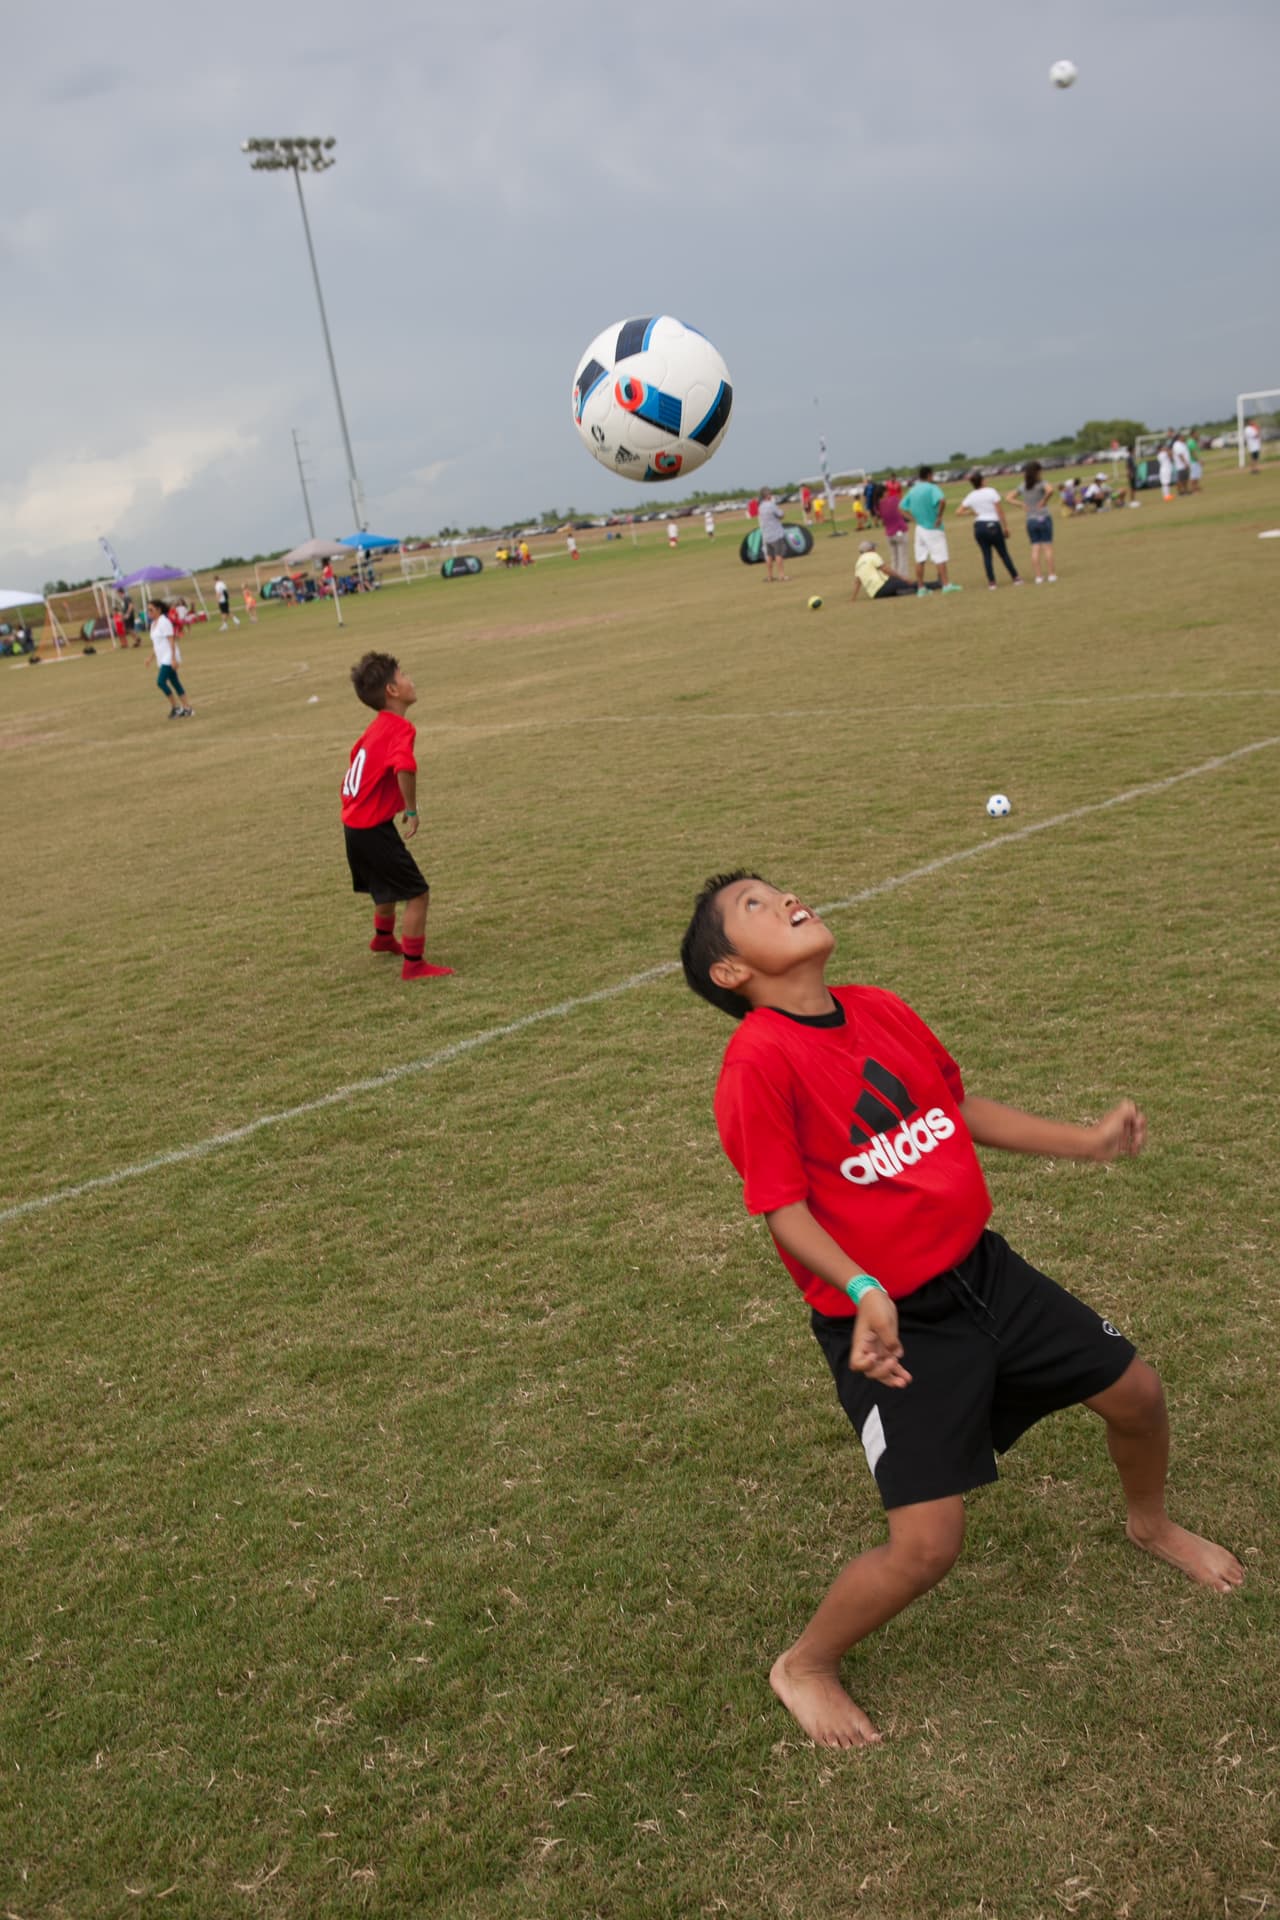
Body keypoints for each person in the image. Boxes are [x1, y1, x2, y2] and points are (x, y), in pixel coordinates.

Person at [679, 870, 1244, 1751]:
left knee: (1137, 1393)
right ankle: (807, 1663)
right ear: (730, 973)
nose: (786, 897)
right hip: (893, 1326)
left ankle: (1151, 1523)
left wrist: (1087, 1142)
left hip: (986, 1273)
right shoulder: (757, 1061)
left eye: (780, 887)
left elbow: (956, 1108)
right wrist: (865, 1290)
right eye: (753, 905)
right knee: (927, 1548)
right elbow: (783, 1210)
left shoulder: (881, 1007)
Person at [341, 651, 452, 983]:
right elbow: (404, 766)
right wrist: (412, 808)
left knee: (384, 885)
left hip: (354, 826)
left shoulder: (373, 730)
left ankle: (383, 938)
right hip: (372, 828)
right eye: (404, 675)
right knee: (417, 893)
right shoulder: (400, 728)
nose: (410, 680)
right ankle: (414, 965)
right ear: (391, 690)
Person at [900, 465, 961, 595]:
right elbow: (942, 501)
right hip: (933, 527)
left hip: (920, 528)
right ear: (929, 475)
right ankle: (946, 585)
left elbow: (901, 508)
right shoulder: (932, 488)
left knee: (920, 558)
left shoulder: (913, 490)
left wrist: (913, 519)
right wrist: (939, 516)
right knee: (940, 557)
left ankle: (921, 588)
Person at [956, 471, 1022, 589]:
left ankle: (992, 582)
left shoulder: (971, 495)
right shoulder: (991, 491)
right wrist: (1005, 527)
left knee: (987, 555)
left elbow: (958, 512)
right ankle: (1015, 577)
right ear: (982, 481)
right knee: (1003, 553)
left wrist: (970, 512)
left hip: (979, 526)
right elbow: (999, 511)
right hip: (993, 525)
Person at [1005, 461, 1057, 583]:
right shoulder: (1041, 484)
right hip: (1043, 517)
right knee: (1047, 547)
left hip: (1031, 520)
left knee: (1035, 547)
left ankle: (1038, 576)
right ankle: (1051, 574)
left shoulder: (1023, 486)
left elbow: (1008, 497)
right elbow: (1050, 490)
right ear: (1037, 472)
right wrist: (1044, 500)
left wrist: (1021, 504)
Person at [850, 540, 939, 602]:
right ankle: (938, 584)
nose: (875, 549)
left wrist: (853, 598)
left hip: (875, 595)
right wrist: (903, 578)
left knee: (898, 585)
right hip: (883, 586)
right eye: (873, 547)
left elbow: (857, 582)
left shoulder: (858, 563)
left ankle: (906, 590)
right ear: (870, 549)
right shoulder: (872, 555)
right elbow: (885, 569)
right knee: (911, 583)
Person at [147, 599, 192, 718]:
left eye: (151, 609)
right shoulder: (153, 624)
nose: (149, 612)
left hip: (169, 656)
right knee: (175, 682)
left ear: (159, 609)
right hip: (162, 657)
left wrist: (173, 659)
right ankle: (187, 709)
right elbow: (157, 644)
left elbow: (171, 641)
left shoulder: (164, 622)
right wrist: (150, 658)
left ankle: (175, 708)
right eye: (148, 610)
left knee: (161, 682)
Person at [878, 482, 910, 577]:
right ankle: (903, 578)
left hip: (889, 534)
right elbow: (903, 510)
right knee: (902, 557)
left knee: (894, 558)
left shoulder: (878, 505)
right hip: (900, 531)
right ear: (884, 492)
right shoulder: (894, 499)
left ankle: (894, 578)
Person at [757, 489, 789, 582]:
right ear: (768, 496)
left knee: (769, 556)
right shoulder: (771, 505)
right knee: (778, 554)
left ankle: (770, 576)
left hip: (766, 535)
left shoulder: (760, 506)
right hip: (775, 533)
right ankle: (781, 575)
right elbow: (781, 515)